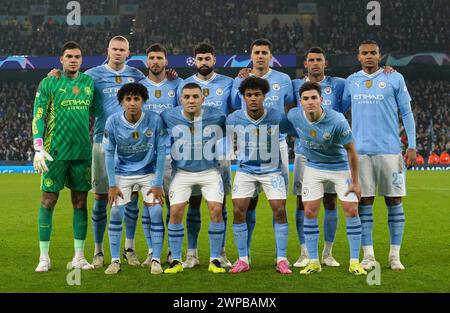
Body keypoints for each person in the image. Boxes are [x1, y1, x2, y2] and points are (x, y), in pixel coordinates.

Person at [342, 40, 417, 271]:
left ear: (380, 55)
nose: (369, 56)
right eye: (364, 53)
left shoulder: (395, 78)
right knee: (365, 202)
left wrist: (412, 145)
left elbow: (406, 112)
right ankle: (369, 255)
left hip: (390, 152)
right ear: (358, 56)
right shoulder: (351, 81)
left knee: (394, 201)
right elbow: (338, 109)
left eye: (373, 53)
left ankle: (395, 256)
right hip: (361, 153)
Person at [288, 82, 366, 276]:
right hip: (313, 167)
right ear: (301, 102)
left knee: (351, 209)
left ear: (321, 100)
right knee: (309, 211)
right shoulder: (294, 116)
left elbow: (352, 151)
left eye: (314, 98)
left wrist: (356, 182)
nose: (310, 102)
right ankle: (314, 261)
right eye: (306, 99)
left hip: (340, 168)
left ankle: (355, 261)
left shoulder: (337, 120)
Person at [33, 41, 95, 272]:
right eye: (69, 56)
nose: (73, 60)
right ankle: (44, 257)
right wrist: (38, 146)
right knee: (48, 200)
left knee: (80, 202)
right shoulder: (50, 82)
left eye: (77, 56)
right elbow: (38, 114)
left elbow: (98, 112)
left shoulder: (89, 82)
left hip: (82, 153)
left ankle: (79, 256)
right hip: (54, 153)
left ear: (81, 59)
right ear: (61, 59)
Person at [84, 36, 146, 268]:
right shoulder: (92, 75)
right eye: (114, 49)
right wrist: (58, 74)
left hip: (130, 144)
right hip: (102, 141)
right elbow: (73, 88)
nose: (118, 53)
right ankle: (98, 251)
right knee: (101, 198)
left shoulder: (137, 75)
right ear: (107, 50)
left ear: (128, 53)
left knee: (131, 198)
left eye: (122, 50)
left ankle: (129, 248)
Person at [231, 38, 294, 257]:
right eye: (256, 52)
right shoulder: (240, 79)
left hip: (277, 144)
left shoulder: (284, 79)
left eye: (264, 52)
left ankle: (281, 256)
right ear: (251, 55)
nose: (260, 56)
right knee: (247, 204)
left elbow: (291, 106)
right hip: (248, 146)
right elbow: (232, 106)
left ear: (270, 56)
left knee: (279, 205)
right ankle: (244, 253)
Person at [161, 83, 227, 274]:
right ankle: (176, 260)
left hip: (210, 172)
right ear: (181, 99)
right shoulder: (169, 115)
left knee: (216, 210)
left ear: (202, 99)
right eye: (187, 97)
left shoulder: (217, 116)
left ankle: (215, 259)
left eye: (195, 97)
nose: (191, 100)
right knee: (175, 212)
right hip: (182, 173)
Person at [291, 47, 346, 268]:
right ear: (305, 63)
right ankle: (304, 252)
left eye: (319, 60)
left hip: (333, 156)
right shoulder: (294, 85)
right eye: (311, 60)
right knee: (301, 202)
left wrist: (386, 70)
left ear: (325, 63)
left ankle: (328, 253)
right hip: (304, 153)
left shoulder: (339, 84)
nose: (315, 63)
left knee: (331, 201)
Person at [103, 83, 167, 275]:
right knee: (115, 214)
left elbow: (162, 151)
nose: (132, 103)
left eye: (136, 99)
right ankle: (115, 261)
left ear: (143, 101)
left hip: (149, 172)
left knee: (155, 212)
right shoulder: (112, 121)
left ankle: (155, 259)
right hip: (123, 173)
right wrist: (112, 185)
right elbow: (108, 153)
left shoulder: (155, 120)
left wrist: (157, 183)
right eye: (128, 99)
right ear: (122, 102)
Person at [180, 42, 234, 269]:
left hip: (220, 154)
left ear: (214, 59)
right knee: (193, 204)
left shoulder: (229, 83)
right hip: (192, 154)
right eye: (199, 59)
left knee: (219, 206)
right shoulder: (185, 85)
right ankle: (191, 254)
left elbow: (235, 113)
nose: (203, 62)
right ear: (194, 60)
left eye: (207, 58)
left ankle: (220, 252)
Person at [138, 43, 184, 267]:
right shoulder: (139, 87)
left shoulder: (178, 84)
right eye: (152, 58)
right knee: (150, 205)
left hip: (172, 154)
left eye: (159, 58)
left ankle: (171, 251)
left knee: (174, 204)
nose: (155, 61)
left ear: (166, 62)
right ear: (147, 62)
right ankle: (151, 249)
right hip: (146, 155)